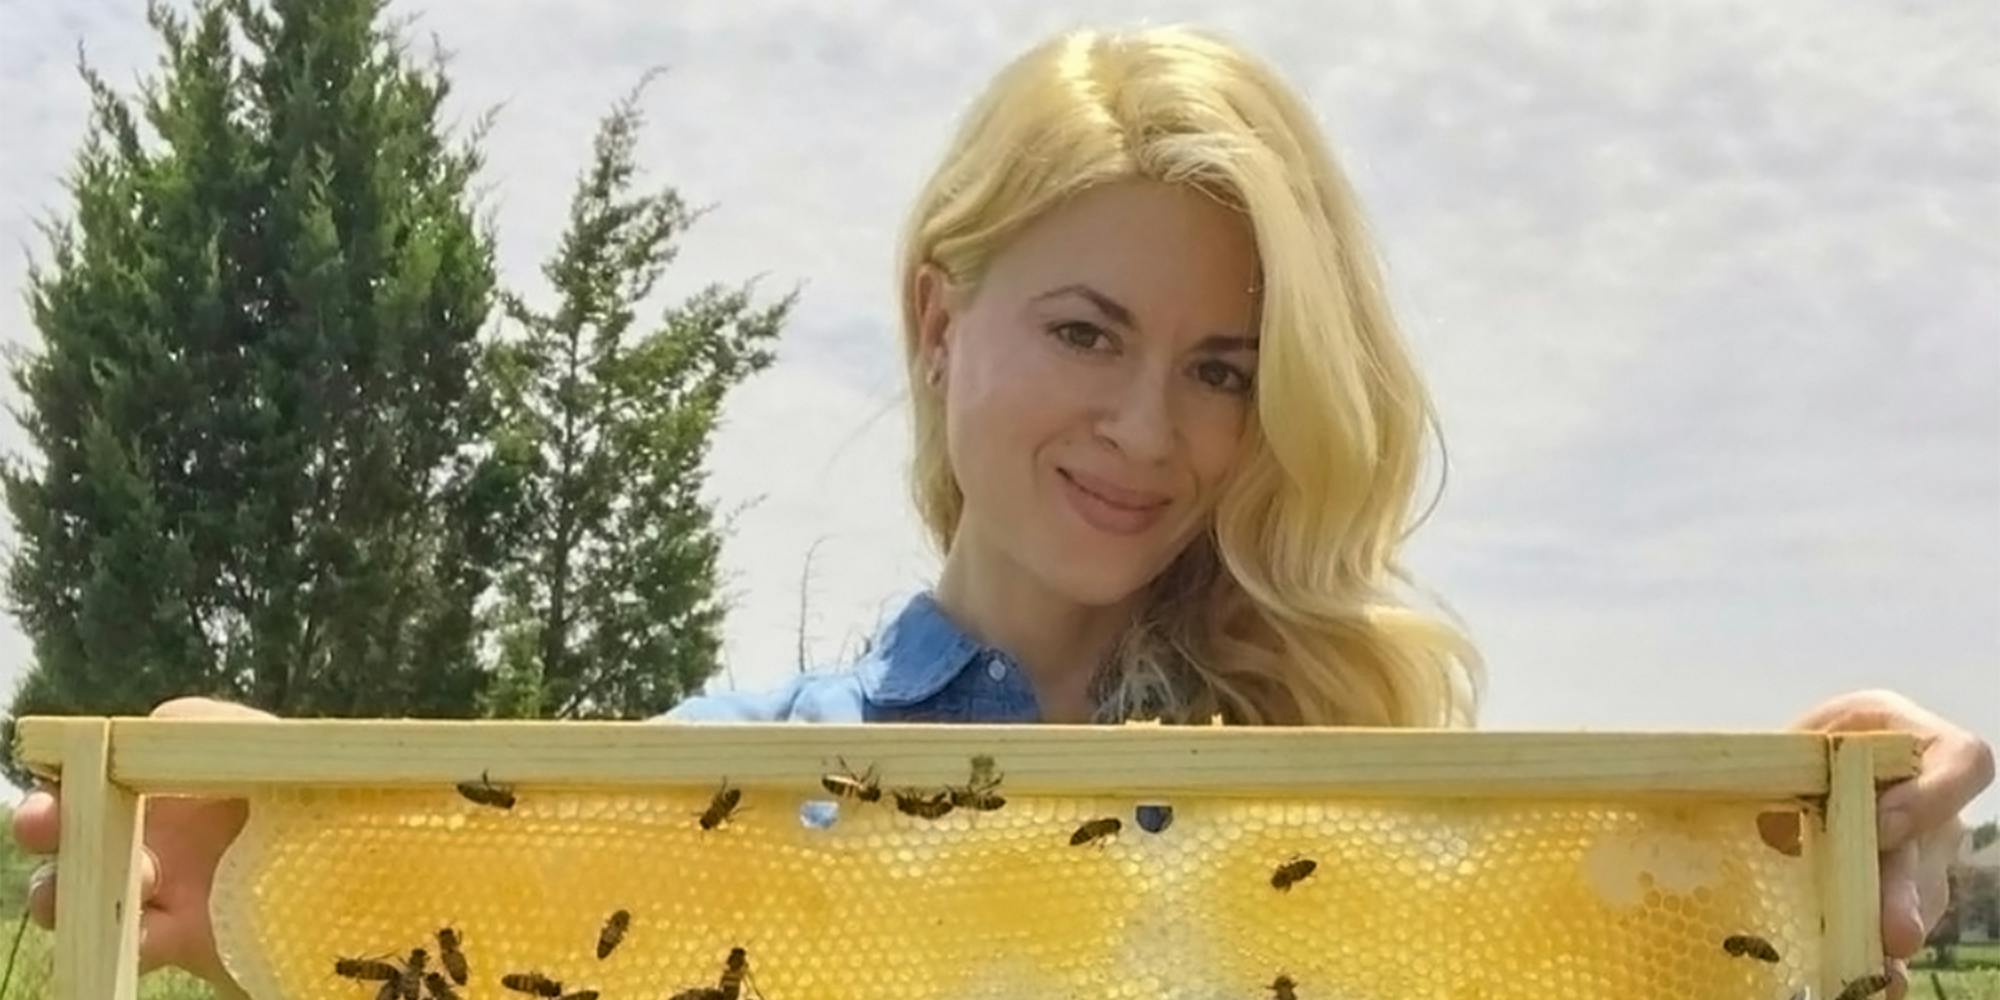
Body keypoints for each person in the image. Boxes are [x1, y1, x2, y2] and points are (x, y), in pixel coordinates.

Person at [11, 25, 1990, 999]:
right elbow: (510, 902)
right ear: (938, 318)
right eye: (1085, 327)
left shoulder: (1370, 811)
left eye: (1226, 366)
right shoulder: (725, 787)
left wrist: (1802, 836)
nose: (1149, 422)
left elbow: (1595, 918)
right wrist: (305, 852)